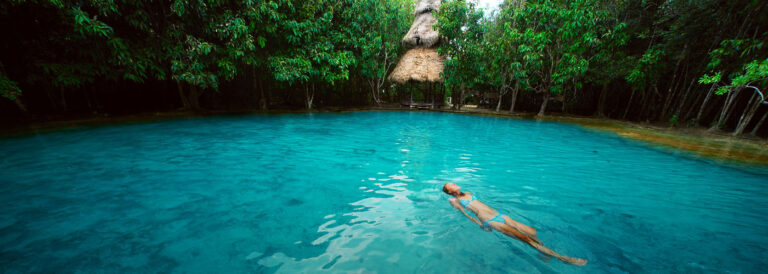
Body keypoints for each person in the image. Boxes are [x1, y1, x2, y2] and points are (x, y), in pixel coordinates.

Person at [442, 183, 587, 266]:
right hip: (490, 221)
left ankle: (543, 252)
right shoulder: (453, 201)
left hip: (500, 215)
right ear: (449, 192)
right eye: (451, 186)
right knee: (525, 239)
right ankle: (563, 258)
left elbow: (481, 203)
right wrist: (481, 225)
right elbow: (466, 214)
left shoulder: (468, 192)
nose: (455, 184)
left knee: (532, 232)